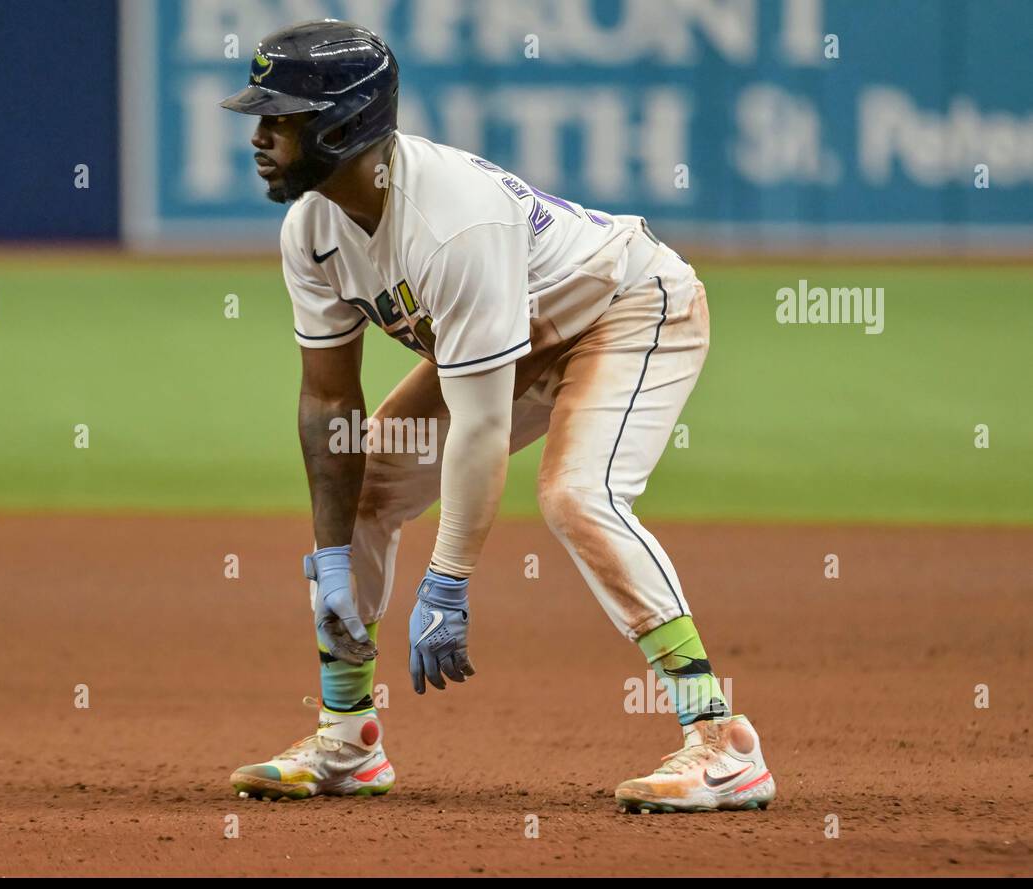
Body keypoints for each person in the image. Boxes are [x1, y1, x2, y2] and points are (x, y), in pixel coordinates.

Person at [220, 19, 775, 813]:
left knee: (578, 493)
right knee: (368, 488)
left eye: (280, 117)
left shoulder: (453, 225)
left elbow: (479, 428)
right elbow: (329, 403)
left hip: (626, 310)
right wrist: (334, 552)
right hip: (509, 341)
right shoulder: (311, 230)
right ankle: (348, 737)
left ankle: (723, 741)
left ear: (342, 123)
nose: (261, 136)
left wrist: (447, 581)